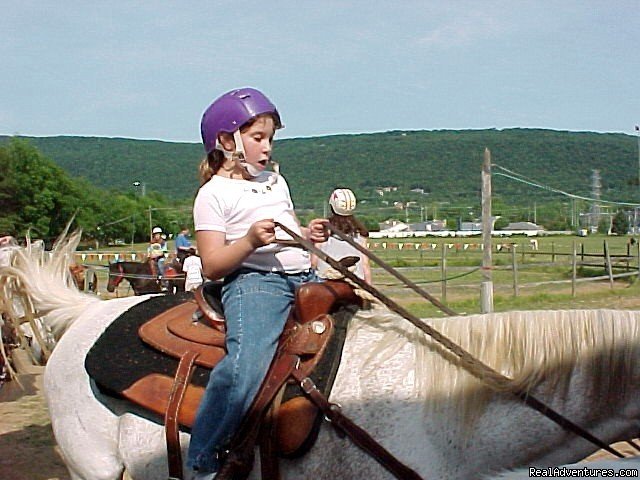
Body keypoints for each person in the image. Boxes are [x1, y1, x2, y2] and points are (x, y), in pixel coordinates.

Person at [187, 87, 329, 478]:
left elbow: (291, 234)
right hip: (256, 283)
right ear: (226, 141)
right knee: (245, 367)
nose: (267, 148)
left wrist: (309, 236)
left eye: (270, 138)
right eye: (258, 138)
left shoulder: (275, 182)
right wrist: (249, 241)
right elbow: (213, 264)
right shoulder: (212, 195)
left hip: (305, 275)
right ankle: (203, 458)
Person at [313, 188, 372, 284]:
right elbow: (365, 264)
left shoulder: (323, 230)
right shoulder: (360, 232)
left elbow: (314, 262)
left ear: (332, 206)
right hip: (355, 280)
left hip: (325, 280)